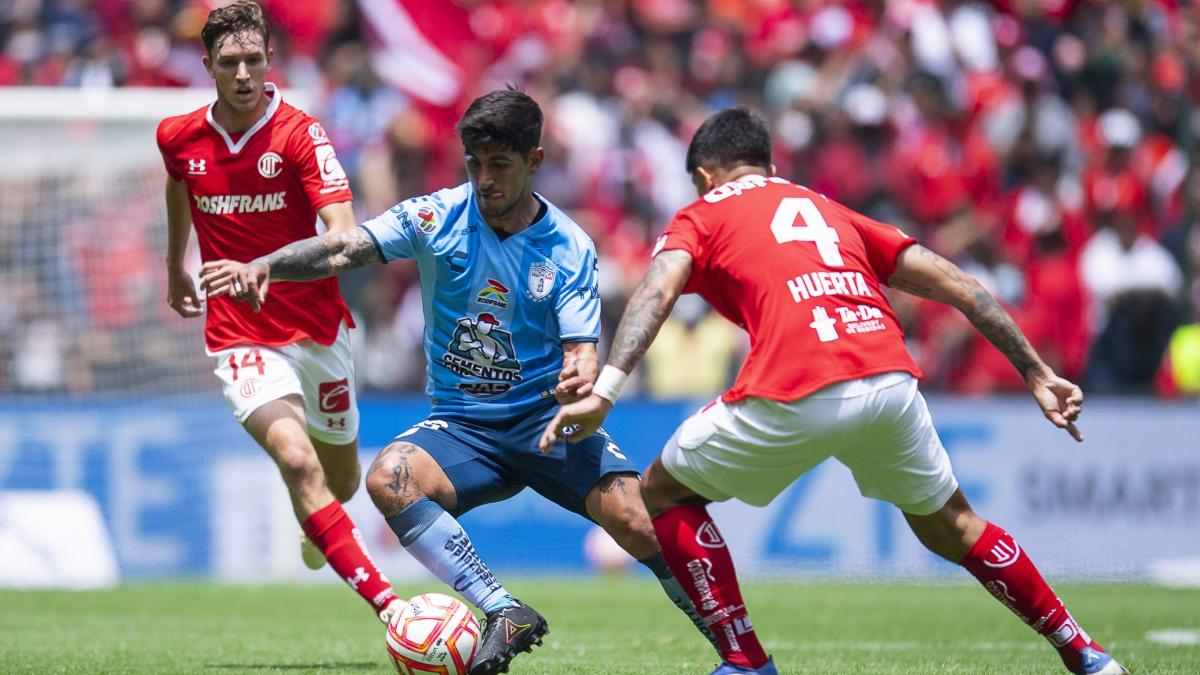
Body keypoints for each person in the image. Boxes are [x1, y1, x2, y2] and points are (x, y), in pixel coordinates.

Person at [539, 108, 1129, 675]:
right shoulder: (827, 208)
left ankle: (746, 661)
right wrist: (1036, 371)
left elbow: (656, 291)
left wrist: (607, 390)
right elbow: (958, 284)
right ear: (766, 165)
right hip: (890, 378)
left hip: (797, 383)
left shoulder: (702, 212)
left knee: (663, 494)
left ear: (703, 175)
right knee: (954, 524)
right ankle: (1087, 653)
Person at [201, 88, 716, 675]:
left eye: (500, 165)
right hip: (463, 428)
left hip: (546, 422)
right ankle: (503, 609)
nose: (485, 179)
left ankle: (733, 646)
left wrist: (582, 372)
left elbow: (581, 350)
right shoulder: (434, 217)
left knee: (638, 521)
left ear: (535, 161)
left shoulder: (569, 246)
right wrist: (268, 264)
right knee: (389, 477)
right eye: (475, 163)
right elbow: (345, 247)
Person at [156, 0, 398, 622]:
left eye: (254, 60)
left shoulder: (299, 134)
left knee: (339, 482)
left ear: (271, 61)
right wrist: (173, 264)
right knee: (296, 461)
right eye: (230, 61)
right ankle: (394, 610)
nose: (243, 74)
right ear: (207, 63)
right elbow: (178, 183)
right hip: (238, 333)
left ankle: (319, 527)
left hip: (318, 328)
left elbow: (343, 233)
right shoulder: (178, 136)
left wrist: (265, 265)